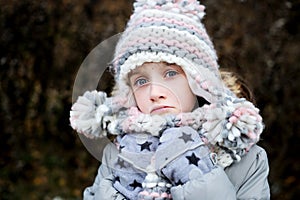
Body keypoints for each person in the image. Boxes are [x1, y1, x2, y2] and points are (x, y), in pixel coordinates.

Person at [70, 0, 270, 199]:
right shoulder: (117, 154)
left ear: (200, 81)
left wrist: (198, 174)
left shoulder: (247, 160)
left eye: (171, 73)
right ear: (129, 94)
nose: (155, 92)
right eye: (141, 80)